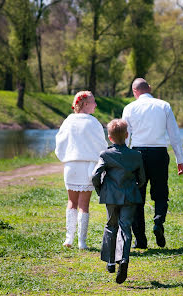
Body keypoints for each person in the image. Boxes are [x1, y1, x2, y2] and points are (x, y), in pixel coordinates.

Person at [122, 78, 183, 249]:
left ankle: (140, 240)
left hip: (137, 154)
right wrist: (180, 160)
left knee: (137, 197)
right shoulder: (164, 105)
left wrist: (122, 158)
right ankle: (158, 221)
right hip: (159, 153)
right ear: (149, 88)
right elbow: (174, 135)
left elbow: (125, 137)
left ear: (134, 92)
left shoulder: (129, 108)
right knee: (160, 192)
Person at [92, 119, 145, 284]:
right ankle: (124, 261)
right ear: (127, 135)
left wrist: (101, 190)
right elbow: (142, 178)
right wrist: (136, 186)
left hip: (111, 196)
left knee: (111, 226)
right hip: (130, 196)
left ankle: (110, 262)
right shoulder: (136, 155)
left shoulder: (105, 154)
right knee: (125, 228)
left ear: (109, 137)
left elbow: (95, 176)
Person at [55, 90, 108, 249]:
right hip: (88, 166)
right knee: (84, 205)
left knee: (71, 202)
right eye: (93, 102)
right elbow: (102, 146)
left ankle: (68, 239)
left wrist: (65, 157)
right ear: (85, 104)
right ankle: (81, 242)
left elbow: (60, 144)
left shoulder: (68, 121)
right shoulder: (93, 122)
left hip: (71, 165)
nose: (96, 105)